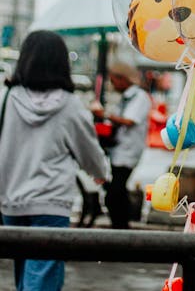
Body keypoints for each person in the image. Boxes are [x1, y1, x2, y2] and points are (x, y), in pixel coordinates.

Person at [0, 30, 109, 291]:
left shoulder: (6, 99)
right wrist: (101, 173)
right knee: (43, 276)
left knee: (24, 274)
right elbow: (89, 153)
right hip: (51, 203)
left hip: (11, 201)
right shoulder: (70, 106)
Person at [90, 61, 151, 229]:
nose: (112, 84)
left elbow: (129, 120)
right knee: (117, 191)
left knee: (114, 193)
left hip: (128, 153)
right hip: (118, 152)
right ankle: (121, 226)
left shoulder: (139, 97)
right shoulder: (125, 98)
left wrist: (104, 114)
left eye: (114, 80)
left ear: (122, 79)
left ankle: (121, 227)